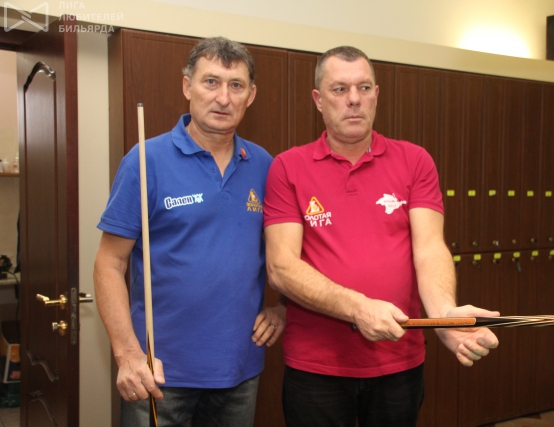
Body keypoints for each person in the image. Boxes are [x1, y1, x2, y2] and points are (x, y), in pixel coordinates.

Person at [263, 46, 500, 427]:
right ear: (318, 100)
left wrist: (443, 316)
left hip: (399, 360)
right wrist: (358, 307)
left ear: (376, 94)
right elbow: (281, 267)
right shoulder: (288, 167)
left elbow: (429, 249)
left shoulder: (415, 160)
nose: (354, 99)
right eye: (340, 89)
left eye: (363, 87)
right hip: (316, 367)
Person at [93, 36, 285, 427]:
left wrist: (284, 307)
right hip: (158, 372)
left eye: (236, 85)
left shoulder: (265, 165)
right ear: (187, 87)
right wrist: (127, 354)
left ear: (250, 95)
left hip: (239, 370)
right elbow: (109, 263)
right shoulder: (145, 160)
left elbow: (288, 253)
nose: (223, 98)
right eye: (211, 82)